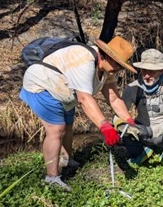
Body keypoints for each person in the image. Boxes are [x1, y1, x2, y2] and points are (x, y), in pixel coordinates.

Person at [19, 36, 137, 191]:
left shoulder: (107, 69)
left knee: (68, 124)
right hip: (41, 85)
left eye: (121, 66)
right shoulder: (85, 61)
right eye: (117, 64)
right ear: (106, 55)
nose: (118, 69)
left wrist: (128, 120)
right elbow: (84, 98)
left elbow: (114, 98)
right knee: (57, 129)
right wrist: (105, 126)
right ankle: (51, 178)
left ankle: (66, 160)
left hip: (62, 90)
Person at [121, 48, 163, 174]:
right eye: (144, 70)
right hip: (141, 130)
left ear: (161, 70)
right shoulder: (132, 88)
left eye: (151, 71)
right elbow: (120, 111)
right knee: (120, 130)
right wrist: (124, 125)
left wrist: (151, 131)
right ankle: (141, 151)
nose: (146, 75)